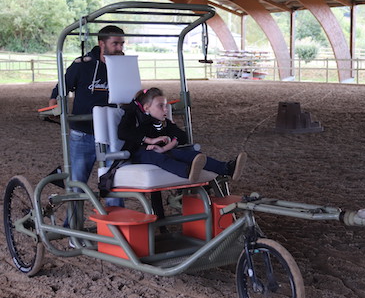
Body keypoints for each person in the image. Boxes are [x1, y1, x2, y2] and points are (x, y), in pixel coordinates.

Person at [49, 25, 125, 212]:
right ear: (102, 44)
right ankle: (73, 228)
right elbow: (61, 88)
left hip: (112, 133)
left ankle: (116, 229)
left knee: (114, 182)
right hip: (83, 132)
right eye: (115, 43)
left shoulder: (124, 65)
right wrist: (55, 104)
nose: (119, 48)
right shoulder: (82, 64)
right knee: (77, 183)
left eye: (122, 44)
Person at [118, 87, 247, 183]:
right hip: (141, 153)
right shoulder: (135, 118)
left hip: (163, 151)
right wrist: (150, 140)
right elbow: (122, 132)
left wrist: (167, 145)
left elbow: (182, 136)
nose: (165, 110)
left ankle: (228, 168)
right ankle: (187, 171)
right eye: (160, 106)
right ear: (146, 108)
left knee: (190, 154)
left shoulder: (164, 123)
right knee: (158, 157)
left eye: (165, 106)